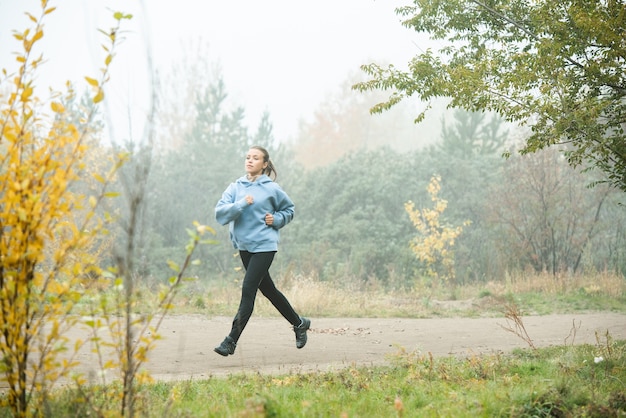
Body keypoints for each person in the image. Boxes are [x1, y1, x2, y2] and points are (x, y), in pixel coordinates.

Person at [213, 145, 310, 356]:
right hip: (245, 247)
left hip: (265, 246)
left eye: (255, 158)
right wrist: (241, 204)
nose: (250, 161)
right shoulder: (235, 187)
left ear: (264, 164)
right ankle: (299, 323)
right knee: (268, 290)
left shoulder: (271, 189)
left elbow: (289, 209)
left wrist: (276, 219)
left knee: (248, 289)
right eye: (247, 157)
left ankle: (231, 341)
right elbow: (220, 214)